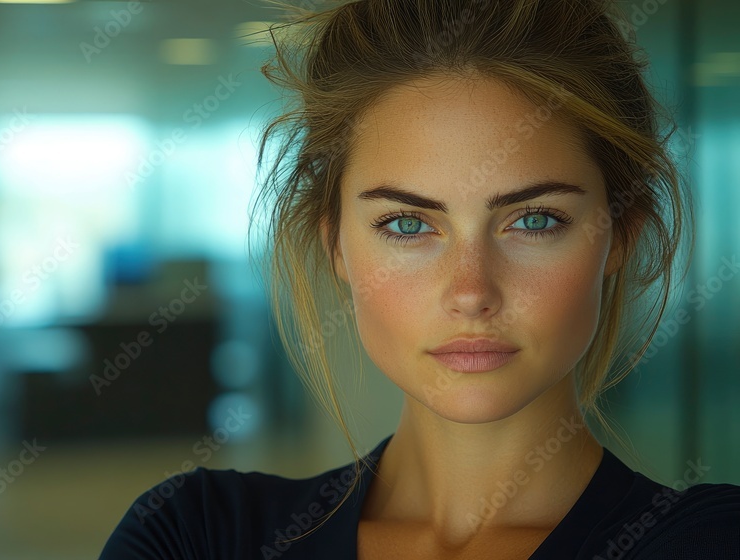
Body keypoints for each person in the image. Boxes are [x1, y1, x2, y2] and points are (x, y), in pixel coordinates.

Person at [100, 1, 740, 558]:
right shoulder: (195, 535)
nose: (471, 292)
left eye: (534, 220)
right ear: (336, 245)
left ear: (620, 235)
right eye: (407, 225)